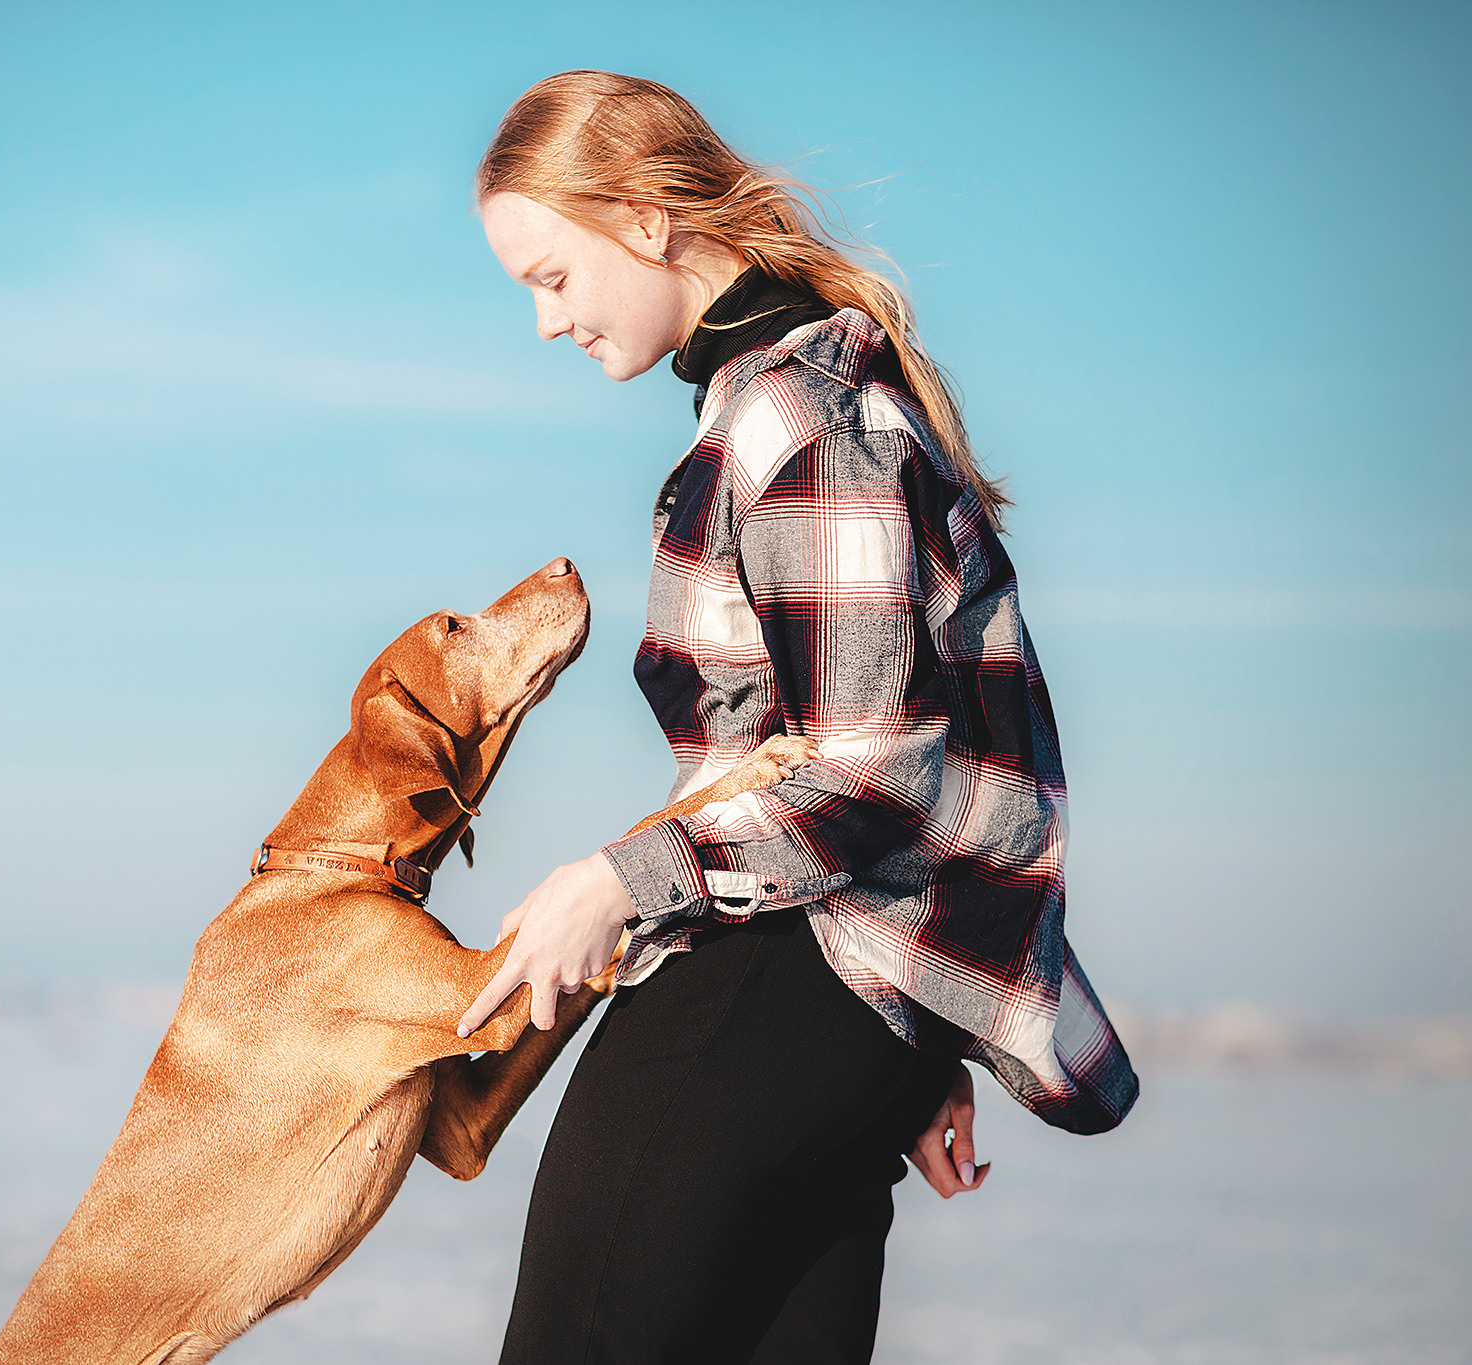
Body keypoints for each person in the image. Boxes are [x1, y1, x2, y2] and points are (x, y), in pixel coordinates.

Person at [452, 72, 1140, 1365]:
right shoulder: (780, 399)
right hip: (846, 1016)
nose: (544, 323)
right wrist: (905, 1019)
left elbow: (882, 768)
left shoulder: (794, 411)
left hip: (767, 987)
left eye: (550, 276)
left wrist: (614, 881)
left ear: (649, 219)